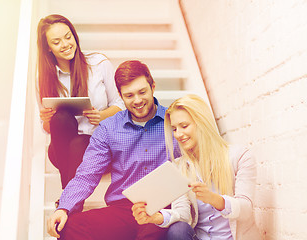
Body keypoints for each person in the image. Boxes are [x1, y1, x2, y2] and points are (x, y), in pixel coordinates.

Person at [46, 60, 180, 240]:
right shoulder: (109, 128)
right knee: (69, 227)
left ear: (153, 86)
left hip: (162, 208)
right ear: (120, 95)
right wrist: (64, 207)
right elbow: (87, 175)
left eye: (142, 92)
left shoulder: (175, 121)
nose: (138, 100)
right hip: (124, 210)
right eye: (129, 95)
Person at [132, 94, 261, 239]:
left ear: (202, 123)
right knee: (178, 229)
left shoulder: (240, 156)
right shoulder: (179, 167)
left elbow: (245, 209)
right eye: (174, 129)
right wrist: (155, 217)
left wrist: (213, 199)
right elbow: (183, 214)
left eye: (184, 126)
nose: (178, 134)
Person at [36, 14, 124, 189]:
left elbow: (121, 104)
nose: (66, 44)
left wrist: (102, 115)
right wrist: (46, 120)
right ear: (48, 48)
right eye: (57, 42)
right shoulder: (44, 77)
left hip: (100, 148)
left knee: (79, 144)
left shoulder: (99, 64)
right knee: (61, 118)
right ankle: (70, 197)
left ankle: (67, 197)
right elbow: (47, 129)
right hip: (61, 151)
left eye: (68, 37)